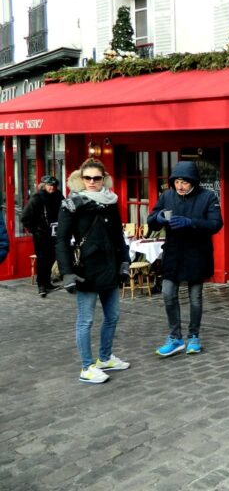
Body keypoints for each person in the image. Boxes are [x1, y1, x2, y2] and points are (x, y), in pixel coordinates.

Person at [55, 159, 131, 384]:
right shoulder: (71, 204)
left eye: (96, 178)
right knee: (85, 320)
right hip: (85, 270)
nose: (91, 182)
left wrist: (125, 261)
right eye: (87, 178)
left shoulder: (111, 201)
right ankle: (86, 367)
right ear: (80, 179)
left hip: (110, 267)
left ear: (103, 179)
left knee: (113, 317)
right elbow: (61, 241)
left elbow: (119, 236)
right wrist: (67, 272)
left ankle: (105, 358)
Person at [147, 161, 223, 357]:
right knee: (167, 294)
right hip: (173, 253)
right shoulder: (167, 196)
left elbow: (216, 224)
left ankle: (194, 336)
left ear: (194, 182)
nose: (180, 186)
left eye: (185, 182)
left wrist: (191, 223)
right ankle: (175, 337)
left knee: (195, 298)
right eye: (177, 182)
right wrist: (159, 218)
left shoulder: (208, 196)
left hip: (197, 253)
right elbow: (151, 220)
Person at [21, 175, 64, 297]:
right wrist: (36, 229)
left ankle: (48, 282)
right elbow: (25, 218)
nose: (52, 188)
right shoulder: (37, 198)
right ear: (44, 186)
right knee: (42, 259)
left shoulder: (58, 196)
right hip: (42, 234)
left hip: (55, 232)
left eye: (54, 186)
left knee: (51, 258)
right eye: (50, 186)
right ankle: (41, 285)